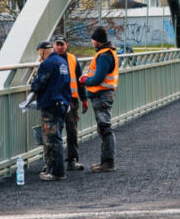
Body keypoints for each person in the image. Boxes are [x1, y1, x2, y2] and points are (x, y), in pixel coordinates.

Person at [31, 40, 80, 181]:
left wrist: (33, 85)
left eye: (39, 52)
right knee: (57, 136)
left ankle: (57, 172)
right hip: (63, 103)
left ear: (43, 51)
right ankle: (55, 170)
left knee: (53, 139)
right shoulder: (61, 62)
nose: (39, 55)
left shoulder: (47, 64)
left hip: (51, 103)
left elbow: (39, 83)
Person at [79, 26, 119, 172]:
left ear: (97, 41)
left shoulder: (104, 56)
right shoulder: (108, 53)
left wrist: (85, 80)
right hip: (104, 94)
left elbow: (98, 78)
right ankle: (106, 162)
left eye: (93, 39)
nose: (92, 41)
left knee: (104, 128)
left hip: (102, 95)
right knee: (104, 128)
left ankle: (108, 163)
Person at [54, 36, 87, 171]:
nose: (60, 47)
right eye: (57, 44)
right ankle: (53, 162)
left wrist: (84, 98)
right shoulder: (50, 60)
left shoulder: (73, 59)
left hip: (72, 101)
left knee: (72, 131)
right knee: (54, 133)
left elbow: (79, 81)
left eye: (62, 44)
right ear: (54, 45)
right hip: (56, 101)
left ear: (66, 45)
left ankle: (71, 160)